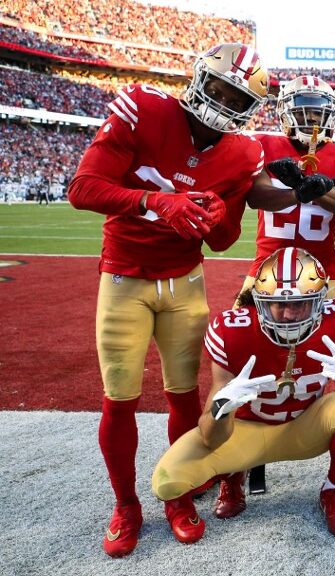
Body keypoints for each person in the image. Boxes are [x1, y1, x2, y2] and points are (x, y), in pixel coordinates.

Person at [67, 43, 270, 558]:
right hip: (124, 277)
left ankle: (177, 494)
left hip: (184, 281)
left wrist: (214, 212)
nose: (224, 103)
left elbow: (223, 240)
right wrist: (155, 200)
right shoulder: (145, 108)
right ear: (201, 78)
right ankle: (126, 505)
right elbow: (83, 188)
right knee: (121, 399)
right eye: (220, 88)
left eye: (237, 98)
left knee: (184, 395)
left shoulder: (244, 151)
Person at [151, 248, 335, 541]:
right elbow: (210, 436)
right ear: (259, 303)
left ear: (319, 302)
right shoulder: (232, 331)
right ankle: (234, 476)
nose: (288, 315)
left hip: (304, 426)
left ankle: (332, 491)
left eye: (299, 305)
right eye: (277, 305)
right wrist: (222, 407)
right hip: (246, 431)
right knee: (167, 481)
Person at [224, 74, 335, 506]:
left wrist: (316, 188)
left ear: (331, 114)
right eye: (302, 109)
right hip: (265, 270)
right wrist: (298, 190)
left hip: (324, 273)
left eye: (317, 110)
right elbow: (255, 195)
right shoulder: (263, 145)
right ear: (285, 111)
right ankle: (244, 460)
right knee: (247, 361)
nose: (310, 118)